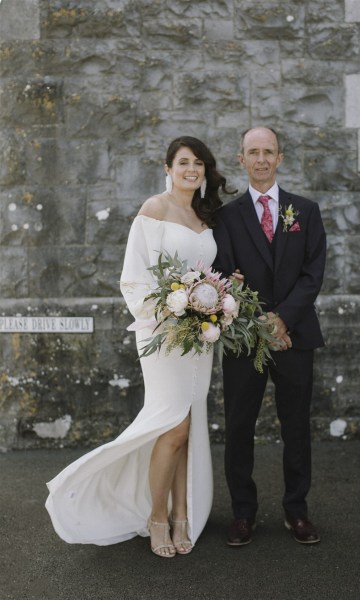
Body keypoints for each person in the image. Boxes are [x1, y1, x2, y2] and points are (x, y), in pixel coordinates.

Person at [46, 136, 231, 558]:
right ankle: (156, 517)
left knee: (188, 426)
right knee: (172, 425)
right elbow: (134, 276)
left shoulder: (206, 217)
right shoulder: (153, 209)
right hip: (163, 333)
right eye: (184, 162)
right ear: (168, 168)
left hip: (200, 336)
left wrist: (219, 304)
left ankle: (182, 512)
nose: (192, 169)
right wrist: (164, 316)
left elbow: (209, 274)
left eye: (199, 163)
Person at [213, 126, 326, 546]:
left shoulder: (306, 212)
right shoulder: (226, 217)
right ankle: (243, 513)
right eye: (253, 152)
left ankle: (296, 510)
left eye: (269, 152)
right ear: (241, 160)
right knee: (239, 426)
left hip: (294, 336)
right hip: (243, 337)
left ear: (280, 158)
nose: (261, 159)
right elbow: (222, 272)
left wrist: (282, 318)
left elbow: (314, 274)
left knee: (295, 426)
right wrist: (249, 309)